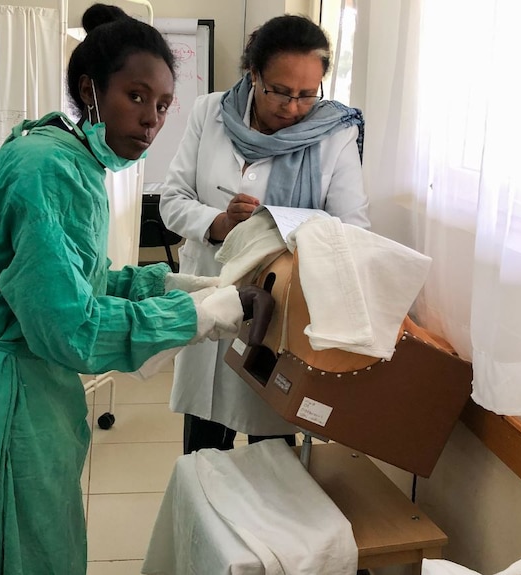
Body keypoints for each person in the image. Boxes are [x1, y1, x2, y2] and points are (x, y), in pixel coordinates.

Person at [0, 5, 258, 575]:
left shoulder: (54, 150)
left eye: (164, 105)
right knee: (21, 550)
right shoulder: (54, 171)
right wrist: (198, 316)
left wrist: (170, 283)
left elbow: (77, 279)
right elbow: (72, 328)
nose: (151, 120)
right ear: (90, 90)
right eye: (137, 96)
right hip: (4, 394)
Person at [159, 14, 371, 455]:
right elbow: (173, 200)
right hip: (209, 294)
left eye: (307, 95)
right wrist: (220, 224)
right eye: (280, 91)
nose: (293, 108)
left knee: (271, 450)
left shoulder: (334, 134)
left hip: (280, 311)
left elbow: (353, 230)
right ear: (253, 75)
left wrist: (280, 228)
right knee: (202, 448)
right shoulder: (210, 112)